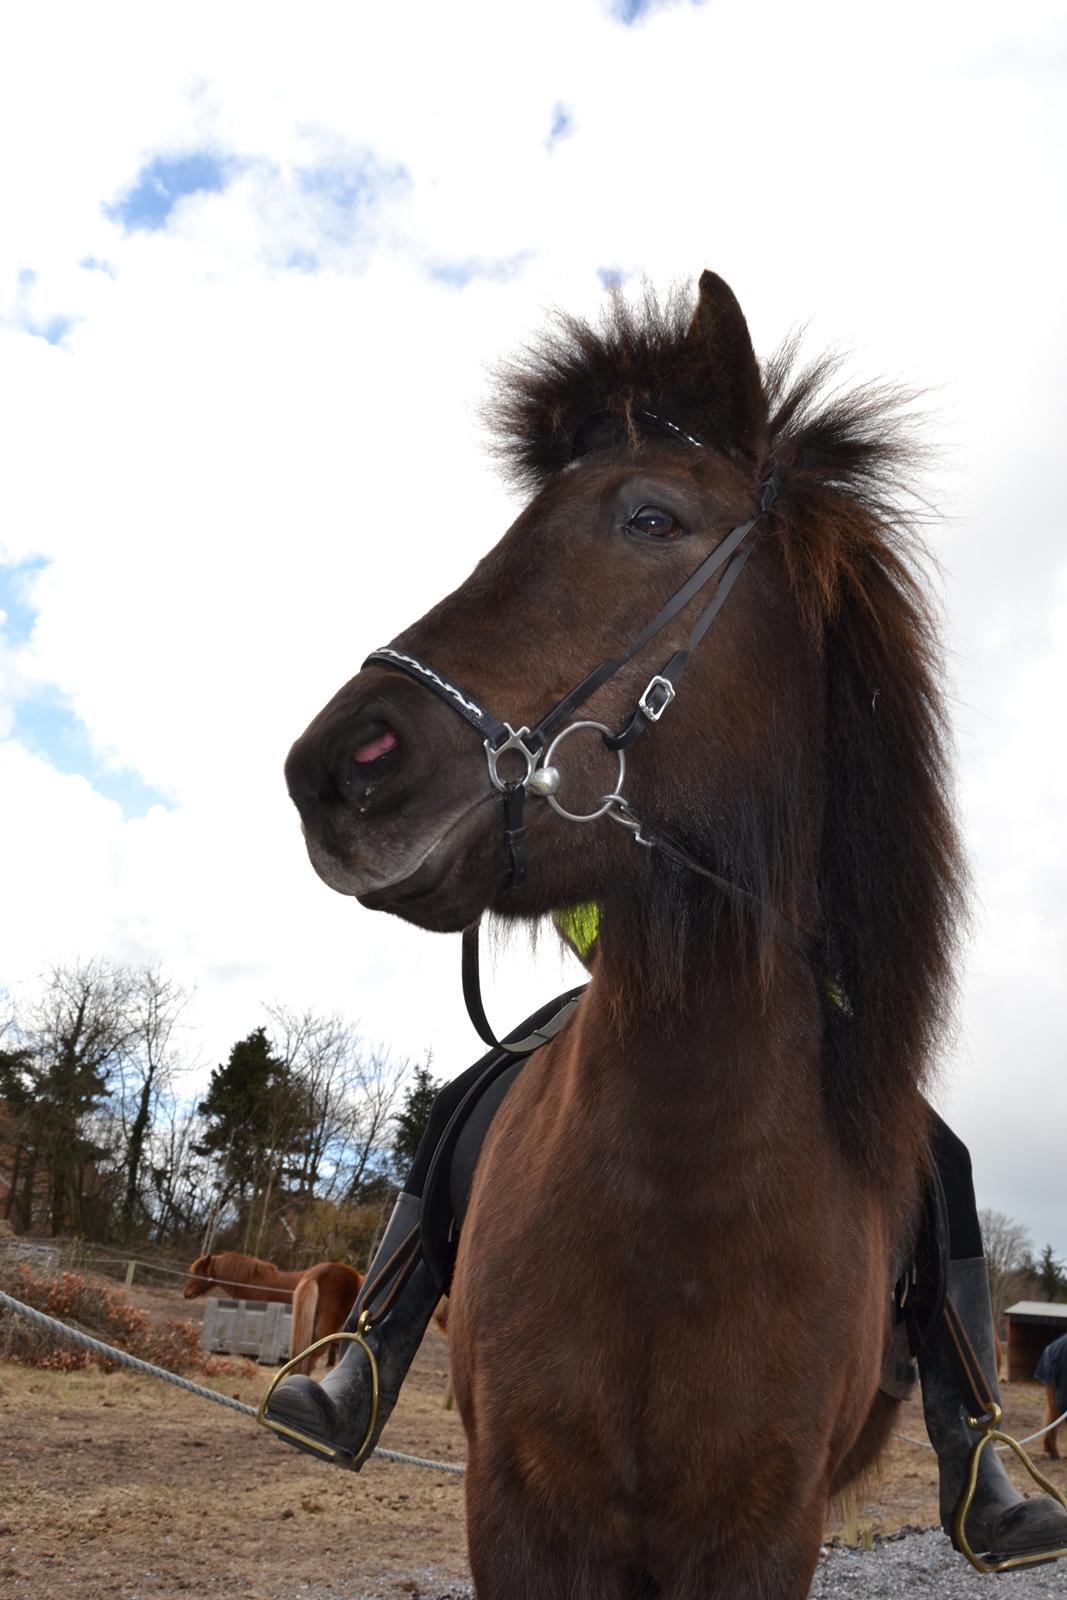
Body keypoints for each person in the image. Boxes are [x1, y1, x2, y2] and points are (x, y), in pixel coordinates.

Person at [262, 908, 1067, 1570]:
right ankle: (367, 1362)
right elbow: (571, 897)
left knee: (942, 1161)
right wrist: (627, 935)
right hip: (634, 979)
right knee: (462, 1098)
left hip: (795, 1000)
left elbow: (879, 921)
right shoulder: (628, 750)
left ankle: (974, 1464)